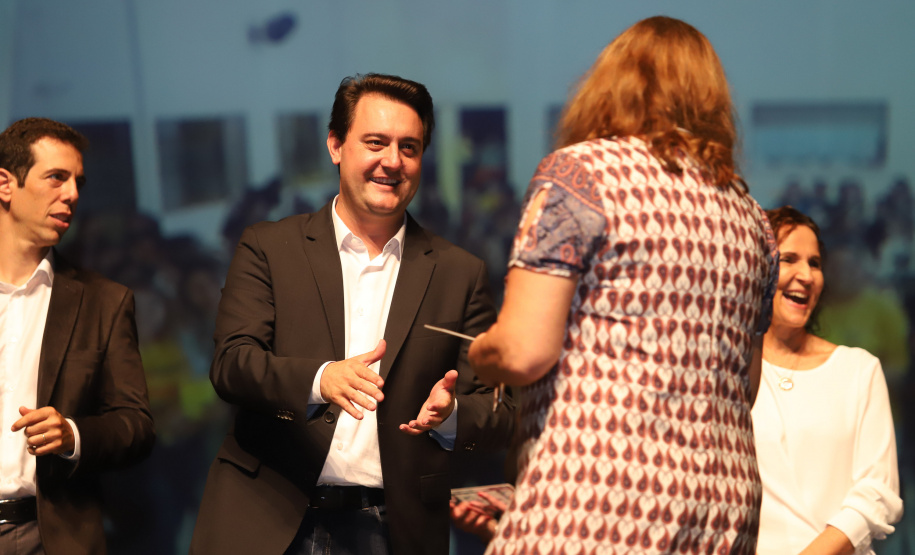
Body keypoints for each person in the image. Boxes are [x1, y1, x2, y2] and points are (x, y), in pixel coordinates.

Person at [468, 16, 779, 554]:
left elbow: (522, 351)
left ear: (610, 86)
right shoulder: (752, 218)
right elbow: (744, 386)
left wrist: (480, 354)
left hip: (602, 492)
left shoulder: (581, 176)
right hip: (724, 506)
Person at [190, 73, 514, 555]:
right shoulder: (269, 247)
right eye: (376, 142)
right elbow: (232, 365)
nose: (392, 161)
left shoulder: (458, 272)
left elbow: (500, 412)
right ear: (336, 145)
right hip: (269, 516)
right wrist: (322, 379)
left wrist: (450, 416)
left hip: (394, 528)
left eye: (409, 147)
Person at [0, 117, 155, 555]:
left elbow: (136, 425)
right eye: (56, 177)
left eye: (77, 182)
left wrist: (72, 433)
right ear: (5, 184)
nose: (71, 194)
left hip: (51, 534)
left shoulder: (103, 301)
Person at [751, 206, 902, 555]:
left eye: (815, 263)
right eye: (789, 259)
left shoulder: (859, 370)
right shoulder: (729, 369)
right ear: (758, 268)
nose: (806, 275)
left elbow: (877, 494)